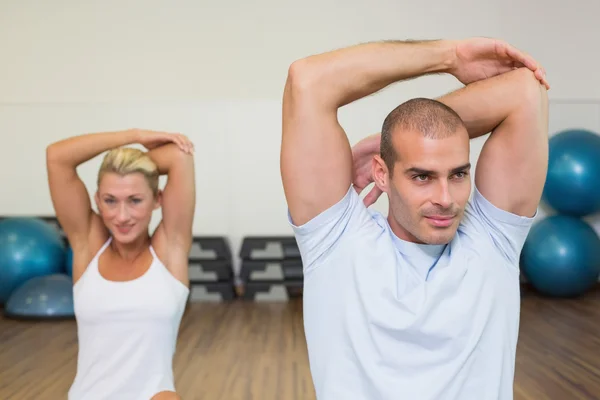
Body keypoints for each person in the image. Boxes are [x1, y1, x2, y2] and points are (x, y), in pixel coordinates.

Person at [280, 37, 549, 399]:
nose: (445, 199)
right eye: (421, 176)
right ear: (382, 173)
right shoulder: (336, 242)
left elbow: (525, 91)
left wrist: (397, 139)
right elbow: (307, 80)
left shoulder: (492, 242)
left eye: (457, 174)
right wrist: (450, 57)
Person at [46, 128, 196, 400]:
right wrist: (133, 136)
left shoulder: (169, 250)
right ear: (97, 200)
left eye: (135, 200)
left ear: (157, 200)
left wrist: (132, 164)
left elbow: (178, 156)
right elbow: (57, 157)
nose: (122, 216)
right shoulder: (88, 246)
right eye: (110, 200)